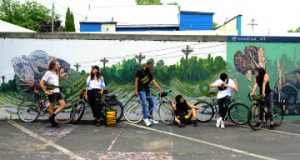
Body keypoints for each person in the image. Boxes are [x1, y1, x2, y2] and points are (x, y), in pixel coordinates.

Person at [135, 59, 163, 126]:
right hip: (141, 90)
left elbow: (154, 82)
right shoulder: (140, 71)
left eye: (152, 67)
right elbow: (136, 80)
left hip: (147, 90)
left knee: (151, 103)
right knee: (144, 103)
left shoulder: (149, 74)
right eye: (150, 66)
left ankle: (150, 118)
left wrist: (160, 89)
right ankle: (145, 119)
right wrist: (136, 90)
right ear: (147, 65)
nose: (151, 68)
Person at [40, 60, 68, 127]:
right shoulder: (48, 73)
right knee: (52, 107)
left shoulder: (56, 73)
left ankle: (52, 117)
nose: (59, 66)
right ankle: (53, 122)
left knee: (63, 105)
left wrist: (64, 74)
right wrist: (45, 91)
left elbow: (58, 77)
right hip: (52, 92)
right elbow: (41, 82)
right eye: (58, 65)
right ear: (53, 66)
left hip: (57, 91)